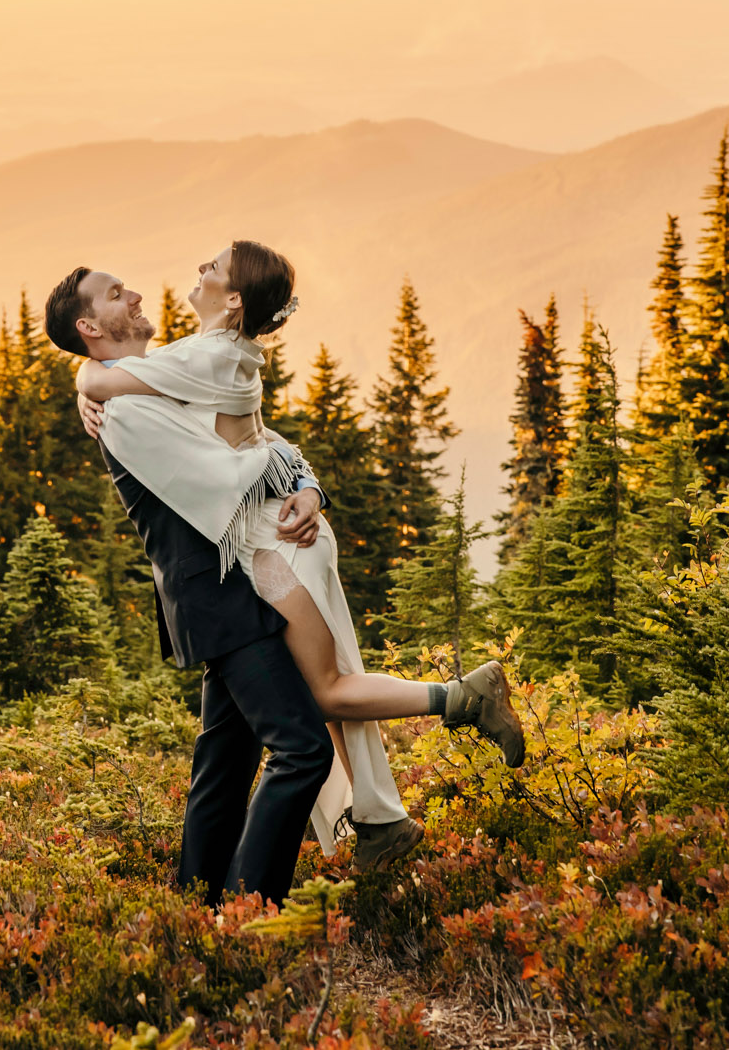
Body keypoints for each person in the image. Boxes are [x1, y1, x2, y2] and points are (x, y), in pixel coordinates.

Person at [45, 252, 523, 890]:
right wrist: (91, 382)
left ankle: (200, 904)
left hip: (245, 575)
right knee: (300, 748)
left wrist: (306, 482)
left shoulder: (147, 378)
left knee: (226, 763)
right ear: (90, 328)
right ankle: (249, 909)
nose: (132, 294)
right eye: (112, 294)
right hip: (221, 589)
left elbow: (252, 433)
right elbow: (223, 472)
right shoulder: (127, 406)